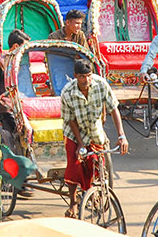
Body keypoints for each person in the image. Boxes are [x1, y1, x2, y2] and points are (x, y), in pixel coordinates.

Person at [60, 59, 128, 218]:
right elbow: (70, 120)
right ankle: (73, 203)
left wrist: (121, 135)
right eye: (82, 77)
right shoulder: (67, 93)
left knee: (95, 163)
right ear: (75, 76)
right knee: (74, 164)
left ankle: (93, 193)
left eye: (89, 76)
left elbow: (113, 109)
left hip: (95, 130)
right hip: (74, 131)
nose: (86, 80)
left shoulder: (101, 85)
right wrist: (80, 143)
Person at [0, 30, 29, 143]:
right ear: (16, 46)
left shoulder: (22, 61)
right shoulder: (1, 63)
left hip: (23, 102)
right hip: (6, 106)